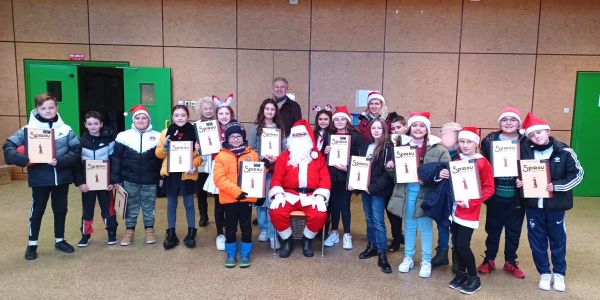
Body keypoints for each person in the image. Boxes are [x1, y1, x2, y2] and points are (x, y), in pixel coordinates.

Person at [3, 93, 81, 260]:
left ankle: (60, 240)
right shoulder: (28, 130)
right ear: (37, 109)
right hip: (40, 179)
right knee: (37, 211)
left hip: (61, 178)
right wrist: (23, 159)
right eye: (43, 108)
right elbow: (8, 146)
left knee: (61, 210)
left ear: (56, 108)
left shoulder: (65, 129)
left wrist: (60, 161)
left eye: (51, 107)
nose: (48, 110)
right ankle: (32, 244)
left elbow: (76, 151)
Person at [516, 113, 583, 292]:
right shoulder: (525, 151)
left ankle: (559, 274)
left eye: (539, 132)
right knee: (536, 241)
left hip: (555, 207)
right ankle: (544, 273)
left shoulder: (565, 151)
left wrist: (557, 186)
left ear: (547, 130)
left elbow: (577, 175)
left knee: (557, 240)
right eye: (531, 134)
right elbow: (521, 172)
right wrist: (520, 182)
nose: (536, 136)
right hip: (532, 206)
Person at [388, 112, 450, 278]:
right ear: (410, 128)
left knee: (425, 227)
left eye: (422, 126)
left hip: (427, 195)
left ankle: (426, 260)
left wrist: (439, 175)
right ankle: (408, 257)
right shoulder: (401, 146)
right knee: (408, 225)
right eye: (415, 125)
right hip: (407, 192)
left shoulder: (439, 149)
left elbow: (446, 171)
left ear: (427, 129)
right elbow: (394, 172)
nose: (418, 128)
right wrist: (391, 165)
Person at [442, 127, 494, 295]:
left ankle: (473, 278)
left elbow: (489, 188)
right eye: (462, 141)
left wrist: (470, 201)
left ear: (476, 144)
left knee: (463, 245)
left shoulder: (482, 162)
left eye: (469, 142)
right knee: (456, 245)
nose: (464, 145)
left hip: (469, 211)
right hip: (454, 210)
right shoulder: (456, 159)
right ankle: (462, 273)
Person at [269, 119, 331, 258]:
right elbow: (276, 178)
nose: (299, 138)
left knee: (320, 215)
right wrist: (278, 194)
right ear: (291, 138)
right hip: (289, 195)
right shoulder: (284, 157)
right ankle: (287, 240)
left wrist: (320, 196)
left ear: (308, 137)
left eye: (302, 135)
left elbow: (325, 179)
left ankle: (307, 240)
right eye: (296, 136)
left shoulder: (318, 157)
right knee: (275, 212)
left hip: (311, 196)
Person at [477, 108, 527, 278]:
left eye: (512, 120)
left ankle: (510, 261)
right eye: (504, 119)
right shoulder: (490, 140)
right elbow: (482, 163)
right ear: (500, 123)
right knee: (493, 228)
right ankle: (489, 259)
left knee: (514, 230)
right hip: (495, 195)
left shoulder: (526, 141)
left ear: (518, 123)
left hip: (517, 196)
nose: (508, 123)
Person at [111, 104, 162, 246]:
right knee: (131, 206)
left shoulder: (158, 137)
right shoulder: (123, 136)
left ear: (149, 120)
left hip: (150, 180)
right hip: (129, 179)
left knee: (149, 206)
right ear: (133, 120)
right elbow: (116, 159)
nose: (141, 120)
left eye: (144, 117)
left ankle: (149, 230)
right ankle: (129, 231)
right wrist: (115, 178)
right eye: (137, 117)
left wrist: (162, 177)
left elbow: (162, 160)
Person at [156, 105, 202, 250]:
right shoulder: (165, 133)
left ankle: (191, 232)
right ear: (172, 117)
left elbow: (200, 156)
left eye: (183, 115)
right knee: (171, 204)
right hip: (171, 173)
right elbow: (158, 154)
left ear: (187, 116)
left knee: (189, 203)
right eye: (176, 115)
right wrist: (164, 149)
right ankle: (171, 233)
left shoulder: (195, 132)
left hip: (187, 173)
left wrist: (194, 164)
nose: (180, 118)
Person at [214, 122, 260, 268]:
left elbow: (256, 175)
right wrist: (236, 192)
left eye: (238, 136)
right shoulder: (221, 156)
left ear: (243, 137)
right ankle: (231, 254)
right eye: (232, 136)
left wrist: (263, 168)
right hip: (229, 199)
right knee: (230, 227)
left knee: (246, 226)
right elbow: (219, 179)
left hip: (246, 198)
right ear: (227, 138)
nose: (235, 139)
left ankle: (246, 254)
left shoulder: (251, 154)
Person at [355, 118, 395, 274]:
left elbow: (386, 175)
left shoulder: (387, 148)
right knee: (368, 218)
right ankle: (371, 246)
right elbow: (360, 167)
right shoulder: (366, 146)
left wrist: (371, 188)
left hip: (377, 190)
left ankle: (382, 253)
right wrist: (356, 183)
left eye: (379, 128)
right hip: (365, 189)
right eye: (373, 128)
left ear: (384, 130)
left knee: (378, 221)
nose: (376, 130)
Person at [73, 111, 117, 247]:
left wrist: (112, 181)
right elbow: (76, 165)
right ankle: (85, 234)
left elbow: (114, 162)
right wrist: (80, 182)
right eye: (90, 124)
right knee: (87, 209)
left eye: (96, 124)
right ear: (85, 125)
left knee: (108, 208)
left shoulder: (109, 141)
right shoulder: (80, 142)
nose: (93, 126)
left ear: (101, 124)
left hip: (105, 183)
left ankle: (111, 232)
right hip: (88, 184)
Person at [322, 106, 363, 250]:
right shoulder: (329, 135)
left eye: (342, 119)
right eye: (337, 119)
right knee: (333, 204)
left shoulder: (356, 136)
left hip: (346, 175)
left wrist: (348, 167)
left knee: (344, 205)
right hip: (331, 176)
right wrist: (325, 150)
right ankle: (334, 232)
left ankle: (346, 234)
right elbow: (322, 156)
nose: (339, 122)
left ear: (348, 120)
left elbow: (360, 158)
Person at [247, 98, 286, 250]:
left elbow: (284, 149)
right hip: (259, 169)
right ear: (262, 110)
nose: (269, 111)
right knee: (260, 202)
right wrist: (262, 156)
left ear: (276, 112)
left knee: (271, 202)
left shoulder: (279, 129)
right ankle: (263, 228)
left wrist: (277, 156)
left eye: (272, 109)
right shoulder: (256, 128)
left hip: (274, 171)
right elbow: (250, 149)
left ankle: (272, 235)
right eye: (267, 109)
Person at [203, 94, 236, 251]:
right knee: (219, 203)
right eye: (221, 113)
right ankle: (220, 234)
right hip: (217, 169)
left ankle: (231, 230)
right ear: (217, 115)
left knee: (232, 202)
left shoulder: (236, 130)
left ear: (231, 115)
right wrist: (200, 149)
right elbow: (205, 154)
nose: (224, 116)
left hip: (232, 171)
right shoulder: (210, 130)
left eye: (227, 113)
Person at [431, 122, 462, 268]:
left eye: (453, 134)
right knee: (442, 225)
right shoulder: (437, 151)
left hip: (460, 197)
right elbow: (430, 170)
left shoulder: (465, 154)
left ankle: (457, 255)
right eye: (446, 134)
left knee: (457, 227)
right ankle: (442, 253)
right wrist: (438, 173)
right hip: (442, 195)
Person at [386, 112, 407, 252]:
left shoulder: (411, 142)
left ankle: (398, 237)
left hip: (405, 182)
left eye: (398, 127)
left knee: (401, 212)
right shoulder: (388, 143)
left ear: (405, 127)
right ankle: (397, 236)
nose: (395, 131)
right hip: (390, 180)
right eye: (393, 129)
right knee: (391, 210)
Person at [196, 97, 216, 227]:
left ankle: (220, 216)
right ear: (201, 110)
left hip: (216, 163)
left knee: (216, 191)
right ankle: (203, 216)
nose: (208, 111)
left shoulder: (218, 123)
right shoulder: (196, 125)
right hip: (202, 163)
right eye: (205, 108)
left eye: (210, 108)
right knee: (201, 192)